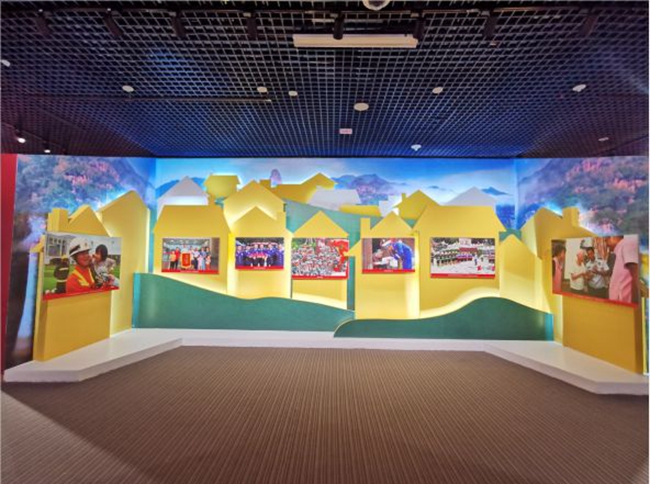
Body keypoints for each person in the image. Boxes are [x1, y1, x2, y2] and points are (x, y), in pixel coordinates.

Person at [606, 236, 639, 304]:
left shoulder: (627, 244)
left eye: (606, 240)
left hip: (626, 305)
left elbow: (636, 274)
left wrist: (634, 306)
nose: (606, 244)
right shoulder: (621, 248)